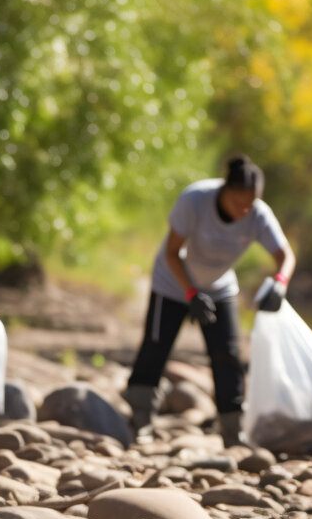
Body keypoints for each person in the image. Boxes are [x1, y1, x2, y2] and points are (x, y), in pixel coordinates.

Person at [124, 155, 295, 446]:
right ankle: (140, 418)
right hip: (172, 284)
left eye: (250, 204)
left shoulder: (257, 214)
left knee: (227, 355)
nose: (244, 211)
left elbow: (285, 256)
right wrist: (190, 293)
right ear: (224, 190)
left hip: (219, 287)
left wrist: (280, 284)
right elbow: (171, 252)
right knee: (156, 349)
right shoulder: (195, 200)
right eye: (238, 203)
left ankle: (232, 430)